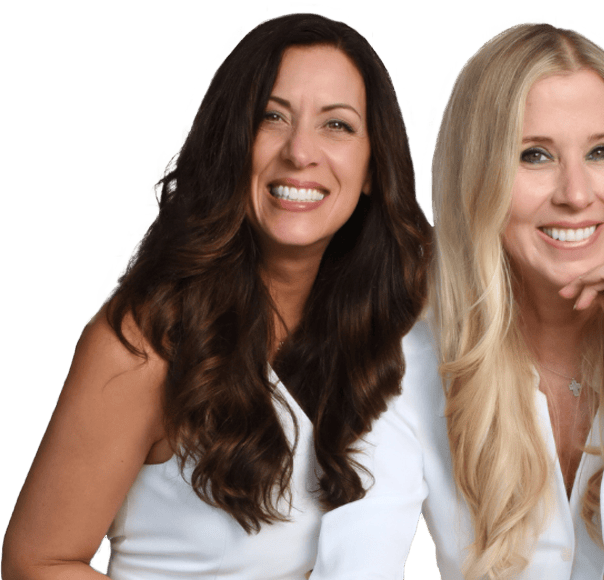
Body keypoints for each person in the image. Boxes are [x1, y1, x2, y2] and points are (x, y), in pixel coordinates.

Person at [311, 20, 604, 580]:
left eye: (603, 151)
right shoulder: (399, 361)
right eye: (534, 155)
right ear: (476, 179)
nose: (577, 194)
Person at [1, 12, 431, 580]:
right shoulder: (144, 344)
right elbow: (38, 562)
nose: (300, 152)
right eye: (271, 117)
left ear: (374, 167)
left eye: (337, 126)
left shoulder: (393, 329)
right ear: (233, 142)